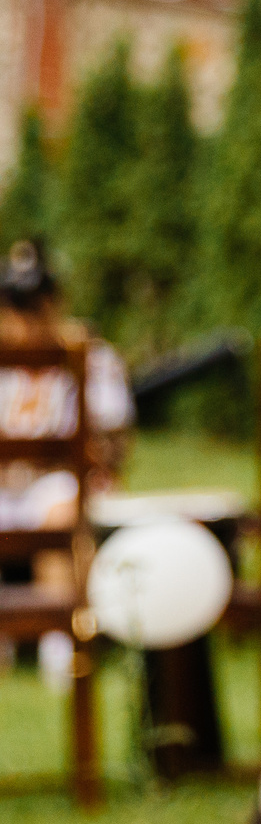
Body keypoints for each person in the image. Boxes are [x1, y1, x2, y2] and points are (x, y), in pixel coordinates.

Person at [0, 238, 131, 688]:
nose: (24, 317)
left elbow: (114, 448)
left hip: (66, 485)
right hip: (8, 488)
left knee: (60, 506)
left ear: (55, 302)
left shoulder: (90, 357)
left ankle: (63, 648)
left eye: (34, 303)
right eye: (14, 304)